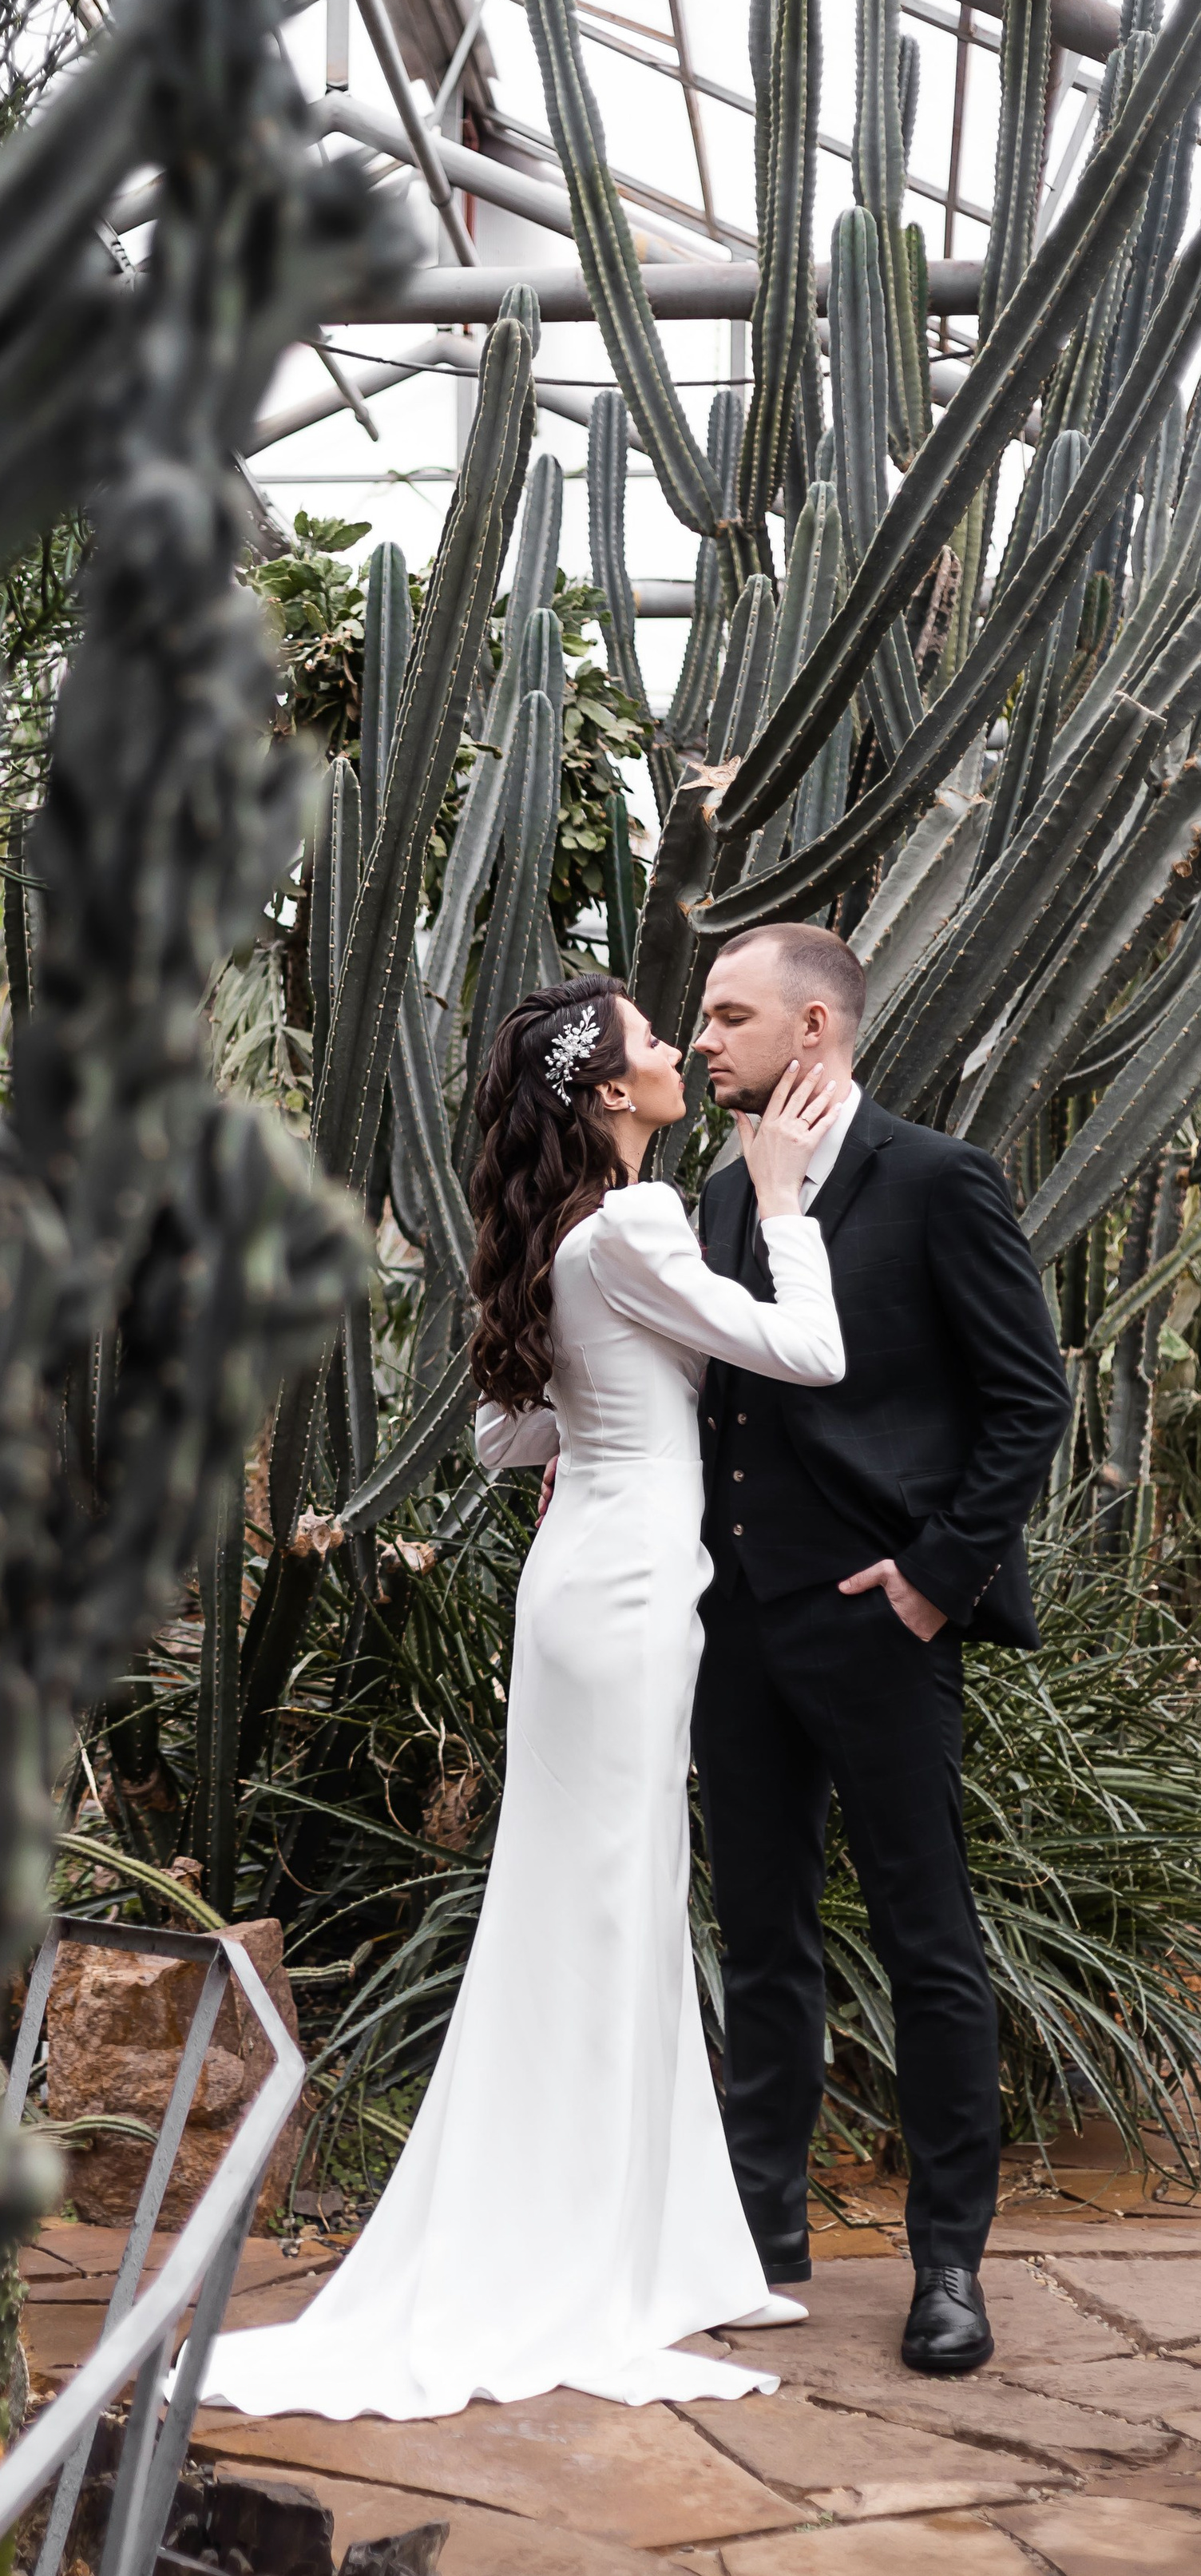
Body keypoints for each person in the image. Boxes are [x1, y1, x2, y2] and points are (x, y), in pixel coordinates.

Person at [196, 974, 846, 2422]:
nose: (678, 1050)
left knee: (597, 1903)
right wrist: (786, 1204)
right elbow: (810, 1353)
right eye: (652, 1043)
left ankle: (650, 2246)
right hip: (621, 1595)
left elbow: (504, 1434)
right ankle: (595, 2262)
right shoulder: (636, 1219)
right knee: (610, 1904)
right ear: (612, 1095)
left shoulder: (567, 1236)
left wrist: (617, 1413)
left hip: (586, 1584)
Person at [690, 924, 1071, 2378]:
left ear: (816, 1029)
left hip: (878, 1612)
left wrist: (931, 1578)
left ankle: (948, 2266)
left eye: (731, 1017)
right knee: (764, 1933)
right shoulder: (730, 1196)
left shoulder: (937, 1180)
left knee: (928, 1936)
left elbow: (1027, 1401)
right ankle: (764, 2231)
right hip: (740, 1621)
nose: (706, 1040)